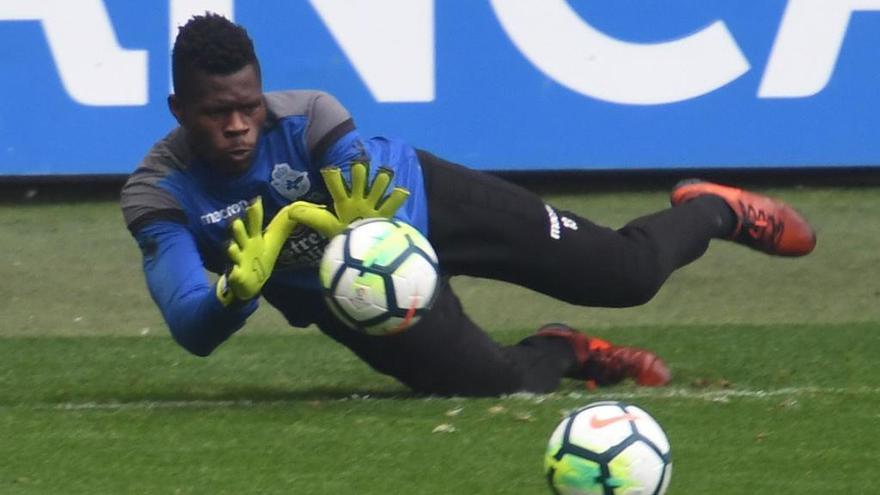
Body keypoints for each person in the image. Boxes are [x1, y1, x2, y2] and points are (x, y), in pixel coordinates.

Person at [120, 14, 816, 397]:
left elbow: (362, 195)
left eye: (249, 106)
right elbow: (191, 325)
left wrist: (360, 220)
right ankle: (564, 349)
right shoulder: (159, 191)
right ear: (180, 109)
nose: (240, 125)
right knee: (494, 385)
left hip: (427, 203)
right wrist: (233, 294)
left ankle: (716, 210)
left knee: (626, 275)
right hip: (361, 298)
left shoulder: (309, 117)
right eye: (218, 114)